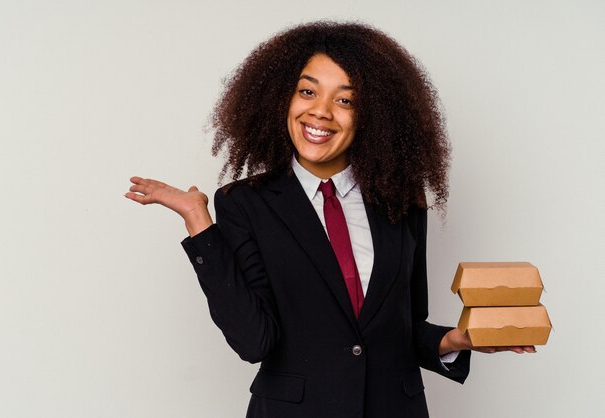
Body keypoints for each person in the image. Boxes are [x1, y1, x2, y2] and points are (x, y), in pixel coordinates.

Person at [125, 21, 534, 418]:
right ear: (281, 99)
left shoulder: (403, 202)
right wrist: (200, 224)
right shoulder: (245, 203)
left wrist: (454, 340)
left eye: (345, 100)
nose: (319, 112)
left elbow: (401, 326)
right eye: (307, 91)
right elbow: (254, 341)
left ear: (373, 114)